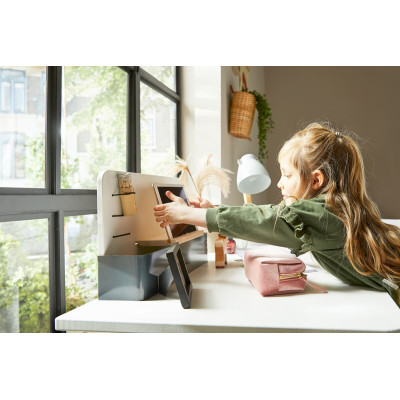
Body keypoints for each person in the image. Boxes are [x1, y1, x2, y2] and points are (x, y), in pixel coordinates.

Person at [153, 123, 400, 307]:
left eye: (287, 175)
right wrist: (211, 210)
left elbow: (268, 219)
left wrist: (187, 215)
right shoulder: (340, 208)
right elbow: (270, 216)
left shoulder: (326, 214)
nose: (280, 184)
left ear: (316, 179)